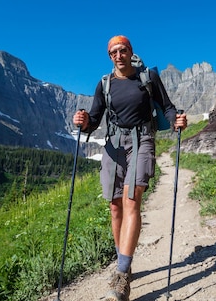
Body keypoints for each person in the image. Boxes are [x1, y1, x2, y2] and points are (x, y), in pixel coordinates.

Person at [73, 35, 187, 301]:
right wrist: (83, 121)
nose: (118, 55)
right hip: (113, 144)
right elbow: (94, 118)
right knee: (115, 207)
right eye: (113, 52)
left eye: (122, 50)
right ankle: (122, 261)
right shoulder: (104, 84)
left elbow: (167, 107)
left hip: (142, 140)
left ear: (131, 51)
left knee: (131, 199)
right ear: (110, 56)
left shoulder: (147, 78)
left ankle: (122, 277)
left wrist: (176, 121)